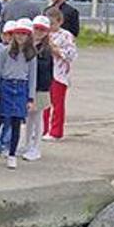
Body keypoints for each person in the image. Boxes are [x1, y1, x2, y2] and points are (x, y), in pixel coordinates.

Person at [0, 19, 37, 169]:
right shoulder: (5, 51)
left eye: (24, 34)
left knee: (16, 123)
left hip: (21, 87)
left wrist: (30, 98)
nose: (21, 37)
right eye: (18, 33)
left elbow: (33, 77)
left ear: (28, 36)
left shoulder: (31, 54)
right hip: (6, 86)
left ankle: (11, 154)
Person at [18, 15, 53, 162]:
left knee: (37, 118)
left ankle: (36, 147)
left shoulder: (45, 49)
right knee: (28, 118)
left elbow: (45, 71)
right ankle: (27, 144)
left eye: (42, 29)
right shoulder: (28, 45)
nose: (38, 31)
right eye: (36, 28)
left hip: (40, 87)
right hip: (28, 86)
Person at [42, 7, 78, 142]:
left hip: (59, 74)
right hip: (45, 72)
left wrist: (57, 51)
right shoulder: (43, 34)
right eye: (48, 23)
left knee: (57, 104)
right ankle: (42, 129)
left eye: (52, 23)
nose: (50, 27)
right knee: (44, 103)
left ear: (60, 22)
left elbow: (72, 54)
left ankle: (56, 131)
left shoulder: (66, 36)